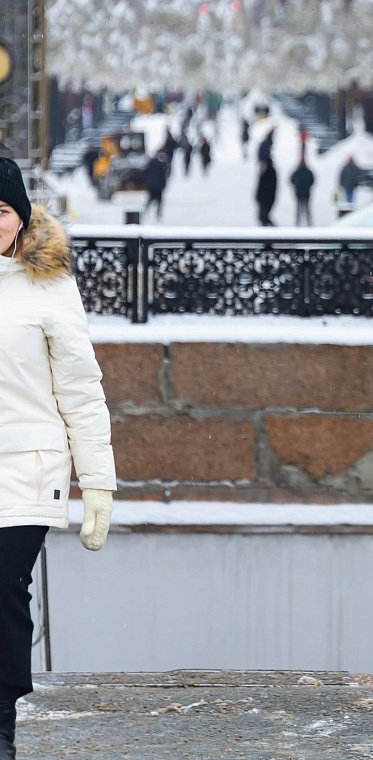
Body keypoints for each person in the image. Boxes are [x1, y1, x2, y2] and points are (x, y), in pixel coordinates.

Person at [0, 157, 116, 760]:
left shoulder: (48, 285)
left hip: (27, 467)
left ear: (19, 218)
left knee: (1, 586)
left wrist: (98, 483)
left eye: (0, 210)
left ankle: (1, 722)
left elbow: (79, 386)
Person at [290, 158, 315, 226]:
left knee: (306, 208)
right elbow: (291, 179)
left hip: (305, 192)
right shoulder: (298, 172)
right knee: (299, 208)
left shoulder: (307, 172)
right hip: (300, 192)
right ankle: (298, 222)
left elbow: (312, 180)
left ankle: (308, 222)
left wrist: (308, 185)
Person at [143, 153, 168, 220]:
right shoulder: (161, 165)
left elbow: (146, 173)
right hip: (158, 186)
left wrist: (147, 183)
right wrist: (164, 184)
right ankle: (158, 213)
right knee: (159, 200)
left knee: (151, 198)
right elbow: (162, 176)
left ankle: (146, 210)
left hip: (151, 185)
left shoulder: (150, 163)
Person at [256, 158, 277, 226]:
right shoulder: (266, 172)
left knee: (263, 216)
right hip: (265, 198)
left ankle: (269, 229)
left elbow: (262, 185)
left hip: (266, 198)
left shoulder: (267, 172)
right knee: (263, 216)